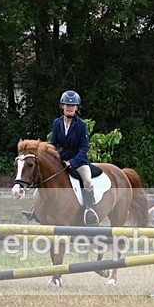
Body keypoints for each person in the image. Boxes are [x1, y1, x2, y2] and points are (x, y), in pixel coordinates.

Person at [49, 90, 98, 225]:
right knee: (44, 174)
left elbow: (85, 147)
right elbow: (53, 143)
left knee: (87, 181)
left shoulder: (81, 125)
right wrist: (48, 153)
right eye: (67, 105)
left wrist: (72, 161)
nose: (70, 108)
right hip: (62, 157)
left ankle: (89, 209)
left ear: (77, 107)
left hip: (79, 160)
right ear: (62, 106)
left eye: (73, 105)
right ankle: (38, 208)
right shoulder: (56, 122)